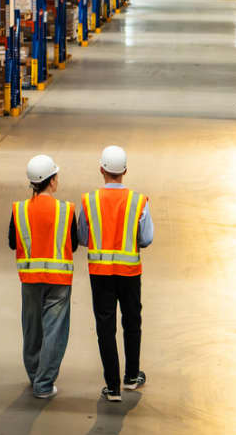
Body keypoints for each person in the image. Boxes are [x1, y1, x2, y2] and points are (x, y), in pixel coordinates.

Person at [78, 144, 153, 402]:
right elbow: (146, 238)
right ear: (125, 171)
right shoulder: (138, 201)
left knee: (105, 328)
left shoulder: (89, 201)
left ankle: (112, 387)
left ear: (101, 169)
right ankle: (131, 377)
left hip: (100, 274)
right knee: (132, 323)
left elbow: (83, 237)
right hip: (129, 273)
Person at [8, 154, 81, 400]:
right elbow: (74, 245)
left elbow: (12, 242)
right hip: (59, 281)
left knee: (32, 329)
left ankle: (34, 375)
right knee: (54, 332)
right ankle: (44, 383)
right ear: (51, 181)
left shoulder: (19, 210)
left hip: (30, 280)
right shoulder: (66, 210)